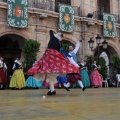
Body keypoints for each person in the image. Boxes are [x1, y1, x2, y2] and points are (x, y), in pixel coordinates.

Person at [27, 30, 80, 95]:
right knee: (51, 74)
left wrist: (54, 33)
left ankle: (52, 90)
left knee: (50, 74)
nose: (60, 37)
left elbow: (50, 31)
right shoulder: (58, 43)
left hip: (50, 59)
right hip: (54, 59)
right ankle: (52, 90)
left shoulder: (54, 39)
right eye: (60, 36)